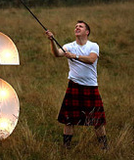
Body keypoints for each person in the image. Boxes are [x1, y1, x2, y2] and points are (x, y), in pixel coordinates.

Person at [45, 20, 107, 150]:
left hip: (90, 86)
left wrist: (75, 56)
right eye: (76, 26)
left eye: (80, 26)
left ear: (87, 32)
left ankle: (104, 147)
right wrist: (52, 40)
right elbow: (57, 54)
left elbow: (91, 59)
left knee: (97, 121)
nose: (77, 28)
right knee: (69, 119)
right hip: (74, 85)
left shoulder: (93, 46)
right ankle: (66, 147)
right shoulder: (69, 46)